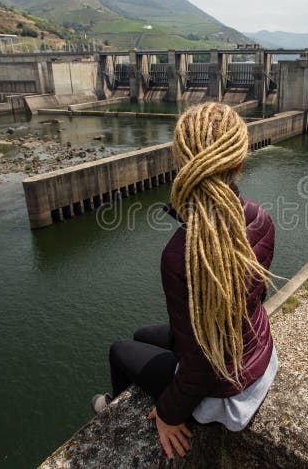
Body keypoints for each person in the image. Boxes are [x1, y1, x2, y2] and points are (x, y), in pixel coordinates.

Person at [92, 102, 278, 460]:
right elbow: (256, 297)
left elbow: (200, 367)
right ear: (239, 164)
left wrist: (168, 412)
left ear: (182, 165)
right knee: (145, 335)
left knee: (119, 350)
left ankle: (114, 408)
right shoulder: (261, 218)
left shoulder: (180, 255)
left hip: (226, 390)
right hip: (259, 355)